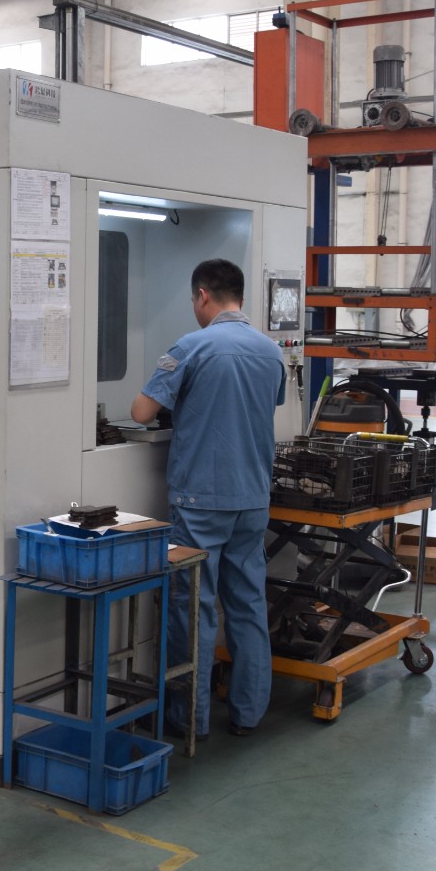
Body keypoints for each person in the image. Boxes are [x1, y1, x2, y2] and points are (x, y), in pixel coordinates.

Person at [132, 259, 284, 739]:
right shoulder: (271, 351)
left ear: (202, 296)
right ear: (240, 296)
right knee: (248, 603)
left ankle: (189, 719)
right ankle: (248, 713)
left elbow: (140, 412)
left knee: (192, 606)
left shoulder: (192, 346)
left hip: (201, 500)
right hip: (252, 497)